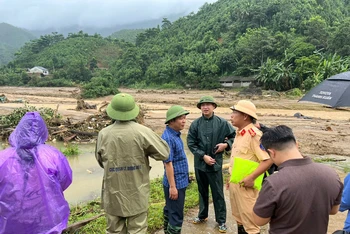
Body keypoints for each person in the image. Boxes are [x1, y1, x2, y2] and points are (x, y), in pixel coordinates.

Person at [95, 93, 170, 234]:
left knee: (114, 231)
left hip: (113, 193)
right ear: (133, 111)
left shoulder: (103, 134)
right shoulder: (142, 132)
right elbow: (164, 153)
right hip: (137, 192)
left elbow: (100, 161)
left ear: (112, 112)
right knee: (138, 230)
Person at [253, 125, 343, 234]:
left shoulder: (274, 182)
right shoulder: (331, 174)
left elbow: (259, 220)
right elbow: (333, 210)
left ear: (272, 153)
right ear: (297, 144)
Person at [0, 111, 72, 234]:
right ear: (43, 132)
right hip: (46, 218)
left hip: (11, 219)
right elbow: (65, 180)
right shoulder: (53, 155)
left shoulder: (3, 157)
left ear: (19, 130)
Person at [187, 95, 235, 233]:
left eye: (208, 104)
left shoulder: (222, 123)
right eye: (203, 105)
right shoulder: (195, 124)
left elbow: (233, 136)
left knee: (218, 193)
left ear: (214, 106)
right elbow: (191, 143)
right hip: (200, 165)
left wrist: (225, 145)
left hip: (215, 164)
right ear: (200, 108)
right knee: (202, 191)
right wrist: (203, 156)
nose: (205, 107)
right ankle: (202, 215)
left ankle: (221, 221)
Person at [228, 100, 272, 234]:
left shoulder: (254, 135)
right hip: (236, 184)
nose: (231, 116)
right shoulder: (239, 133)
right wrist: (230, 178)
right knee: (239, 218)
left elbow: (268, 160)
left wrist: (251, 178)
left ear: (245, 116)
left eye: (235, 112)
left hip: (247, 187)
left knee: (251, 225)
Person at [162, 105, 190, 234]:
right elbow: (168, 164)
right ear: (172, 120)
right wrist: (173, 187)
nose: (184, 121)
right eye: (181, 118)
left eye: (184, 118)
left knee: (170, 209)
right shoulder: (168, 138)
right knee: (176, 215)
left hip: (179, 180)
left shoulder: (175, 135)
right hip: (175, 183)